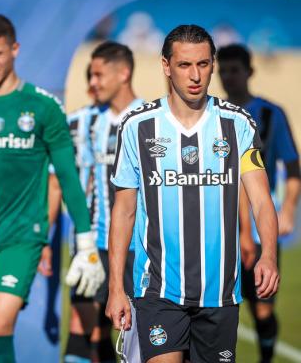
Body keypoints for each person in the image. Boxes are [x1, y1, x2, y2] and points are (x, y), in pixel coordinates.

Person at [106, 24, 279, 363]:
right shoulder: (138, 127)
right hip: (157, 290)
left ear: (212, 64)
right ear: (166, 66)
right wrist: (116, 287)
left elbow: (260, 199)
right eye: (185, 65)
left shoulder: (238, 124)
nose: (195, 75)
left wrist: (269, 254)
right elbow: (123, 210)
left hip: (220, 292)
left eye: (202, 64)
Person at [0, 14, 105, 363]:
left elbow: (67, 177)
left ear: (15, 49)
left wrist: (84, 240)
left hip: (22, 237)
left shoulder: (42, 106)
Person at [217, 43, 301, 363]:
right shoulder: (213, 114)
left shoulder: (270, 113)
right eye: (223, 71)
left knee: (262, 308)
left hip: (259, 227)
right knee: (218, 309)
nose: (228, 77)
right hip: (220, 229)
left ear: (249, 72)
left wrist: (289, 209)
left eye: (234, 70)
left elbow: (293, 167)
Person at [65, 42, 144, 363]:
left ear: (123, 73)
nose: (92, 82)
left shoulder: (148, 120)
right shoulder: (80, 122)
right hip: (92, 245)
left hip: (137, 245)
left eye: (99, 74)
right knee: (85, 327)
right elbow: (60, 181)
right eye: (90, 75)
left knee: (134, 334)